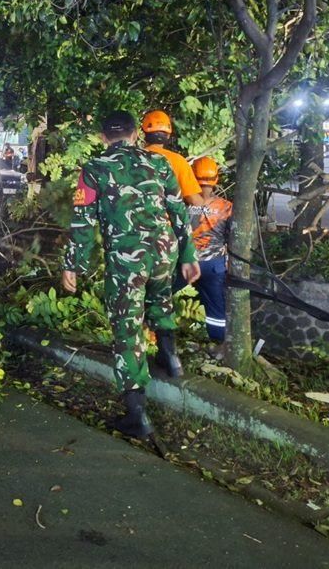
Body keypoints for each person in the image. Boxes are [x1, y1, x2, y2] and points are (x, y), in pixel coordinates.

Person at [62, 111, 200, 439]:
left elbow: (83, 224)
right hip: (164, 249)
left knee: (127, 328)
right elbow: (179, 210)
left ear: (101, 137)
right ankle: (170, 359)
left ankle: (137, 414)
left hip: (127, 258)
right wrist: (188, 253)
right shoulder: (160, 163)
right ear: (136, 134)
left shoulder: (94, 169)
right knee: (160, 301)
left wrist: (73, 265)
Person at [188, 157, 233, 355]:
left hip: (187, 264)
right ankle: (219, 344)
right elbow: (233, 237)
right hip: (215, 266)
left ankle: (157, 336)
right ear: (216, 178)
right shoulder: (226, 207)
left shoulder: (184, 203)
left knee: (163, 297)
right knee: (216, 307)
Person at [141, 110, 204, 207]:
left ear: (143, 133)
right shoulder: (178, 161)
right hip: (166, 220)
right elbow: (194, 200)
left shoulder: (132, 158)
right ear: (168, 135)